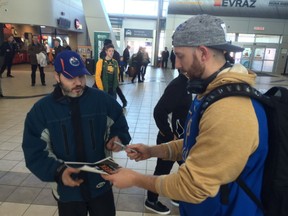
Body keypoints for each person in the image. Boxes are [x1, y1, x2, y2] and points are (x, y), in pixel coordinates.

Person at [102, 14, 268, 216]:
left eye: (180, 56)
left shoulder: (230, 109)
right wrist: (153, 151)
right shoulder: (211, 91)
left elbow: (192, 187)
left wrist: (135, 179)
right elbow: (197, 142)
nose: (177, 64)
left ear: (203, 53)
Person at [22, 50, 131, 216]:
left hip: (101, 185)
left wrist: (117, 137)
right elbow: (34, 152)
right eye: (70, 77)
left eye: (81, 76)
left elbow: (120, 124)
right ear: (57, 76)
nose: (78, 82)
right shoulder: (42, 111)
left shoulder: (102, 101)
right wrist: (58, 171)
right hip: (67, 191)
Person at [145, 69, 192, 215]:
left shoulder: (190, 85)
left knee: (187, 168)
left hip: (182, 140)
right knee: (162, 171)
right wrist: (169, 134)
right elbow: (159, 111)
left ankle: (175, 195)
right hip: (170, 140)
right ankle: (151, 201)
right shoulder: (178, 85)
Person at [100, 39, 127, 108]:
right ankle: (123, 101)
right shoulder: (116, 53)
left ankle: (109, 105)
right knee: (116, 88)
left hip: (105, 75)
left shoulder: (104, 52)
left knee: (111, 89)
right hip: (112, 76)